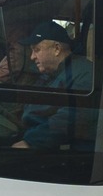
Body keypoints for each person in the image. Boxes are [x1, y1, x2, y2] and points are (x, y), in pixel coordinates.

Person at [12, 20, 94, 150]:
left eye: (36, 50)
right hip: (30, 131)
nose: (32, 57)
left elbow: (71, 118)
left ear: (57, 49)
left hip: (55, 147)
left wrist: (30, 142)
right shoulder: (52, 73)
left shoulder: (83, 73)